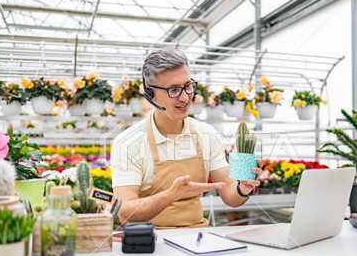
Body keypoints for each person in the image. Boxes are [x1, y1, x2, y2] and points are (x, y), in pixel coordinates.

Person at [111, 49, 263, 229]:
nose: (185, 97)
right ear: (150, 94)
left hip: (198, 237)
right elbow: (125, 213)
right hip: (150, 242)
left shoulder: (206, 134)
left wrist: (242, 188)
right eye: (174, 90)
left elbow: (229, 194)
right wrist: (171, 195)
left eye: (188, 86)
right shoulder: (128, 142)